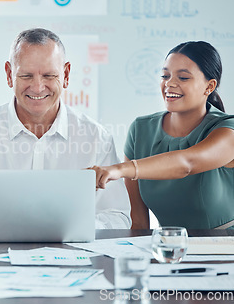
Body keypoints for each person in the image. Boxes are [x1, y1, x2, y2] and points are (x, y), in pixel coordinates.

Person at [0, 28, 131, 229]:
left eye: (49, 76)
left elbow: (118, 217)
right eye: (26, 76)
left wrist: (71, 225)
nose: (37, 87)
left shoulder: (96, 138)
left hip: (73, 255)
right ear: (9, 75)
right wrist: (16, 224)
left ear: (66, 74)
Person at [93, 41, 234, 229]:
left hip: (223, 248)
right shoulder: (141, 129)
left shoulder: (227, 129)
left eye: (183, 77)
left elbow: (187, 163)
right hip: (170, 247)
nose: (169, 83)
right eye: (165, 75)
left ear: (209, 87)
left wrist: (119, 169)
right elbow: (138, 222)